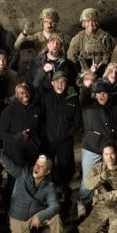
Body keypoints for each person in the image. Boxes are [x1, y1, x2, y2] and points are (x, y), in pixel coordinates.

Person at [0, 149, 75, 233]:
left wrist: (40, 216)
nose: (37, 167)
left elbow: (55, 205)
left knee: (55, 216)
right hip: (18, 217)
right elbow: (10, 166)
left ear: (47, 171)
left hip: (34, 215)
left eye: (41, 166)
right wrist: (0, 154)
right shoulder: (23, 173)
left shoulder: (49, 186)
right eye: (37, 164)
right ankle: (13, 231)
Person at [78, 80, 117, 216]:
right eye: (98, 93)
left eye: (104, 93)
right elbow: (83, 98)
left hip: (110, 148)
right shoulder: (89, 106)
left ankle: (106, 204)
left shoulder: (116, 107)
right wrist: (86, 86)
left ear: (109, 94)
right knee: (88, 178)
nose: (101, 96)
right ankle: (82, 203)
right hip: (92, 148)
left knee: (110, 177)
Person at [41, 71, 82, 202]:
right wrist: (45, 134)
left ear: (67, 84)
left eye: (63, 81)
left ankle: (64, 189)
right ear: (52, 83)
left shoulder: (73, 98)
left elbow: (77, 121)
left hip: (65, 139)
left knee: (66, 165)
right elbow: (42, 116)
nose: (60, 84)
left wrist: (69, 134)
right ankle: (49, 190)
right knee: (48, 165)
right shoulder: (47, 96)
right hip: (49, 139)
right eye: (57, 81)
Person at [0, 83, 43, 168]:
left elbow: (41, 128)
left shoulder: (37, 109)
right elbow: (1, 134)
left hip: (33, 152)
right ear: (16, 95)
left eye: (27, 92)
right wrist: (18, 136)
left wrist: (38, 142)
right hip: (15, 154)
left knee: (32, 174)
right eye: (21, 93)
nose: (25, 95)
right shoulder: (7, 112)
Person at [67, 8, 115, 73]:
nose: (91, 24)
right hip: (85, 74)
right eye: (88, 21)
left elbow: (114, 56)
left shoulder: (106, 38)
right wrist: (79, 74)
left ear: (97, 22)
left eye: (93, 21)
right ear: (83, 23)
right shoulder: (78, 39)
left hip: (104, 72)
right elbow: (71, 58)